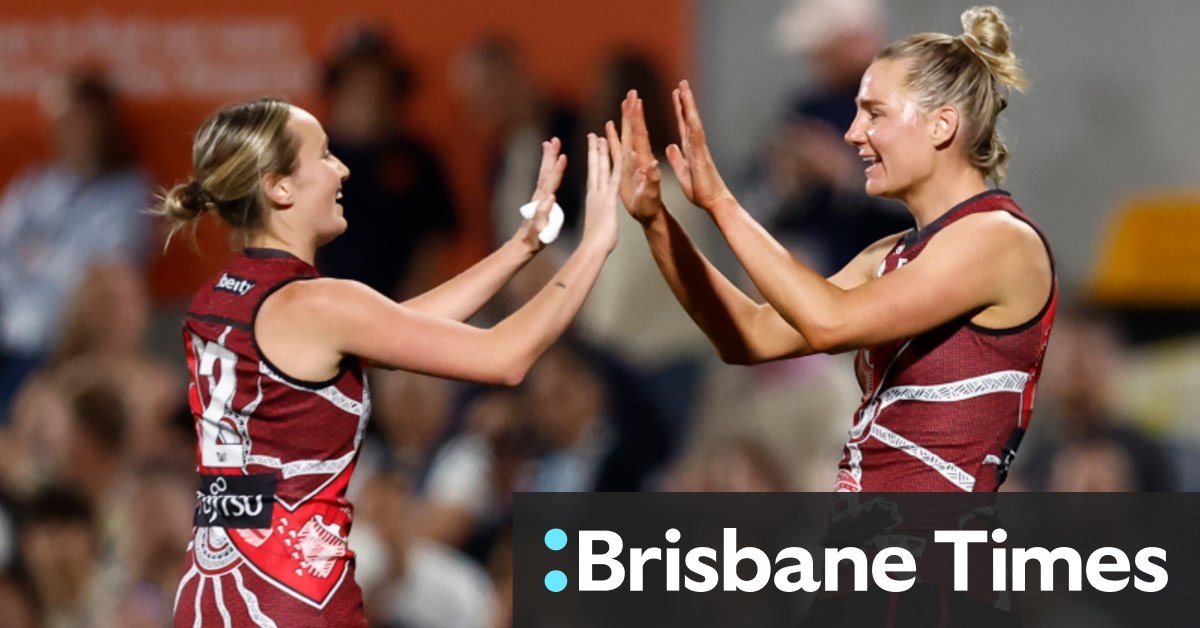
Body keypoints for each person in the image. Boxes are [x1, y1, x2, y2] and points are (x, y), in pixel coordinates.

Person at [154, 98, 620, 626]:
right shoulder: (322, 304)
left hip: (214, 588)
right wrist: (593, 248)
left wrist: (522, 245)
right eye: (325, 156)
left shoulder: (218, 299)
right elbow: (506, 357)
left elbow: (399, 328)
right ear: (279, 187)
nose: (342, 169)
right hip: (291, 595)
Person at [611, 5, 1056, 494]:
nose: (852, 133)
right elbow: (750, 337)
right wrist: (657, 222)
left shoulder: (998, 238)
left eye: (874, 114)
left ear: (941, 125)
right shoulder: (890, 253)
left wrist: (720, 202)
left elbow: (828, 322)